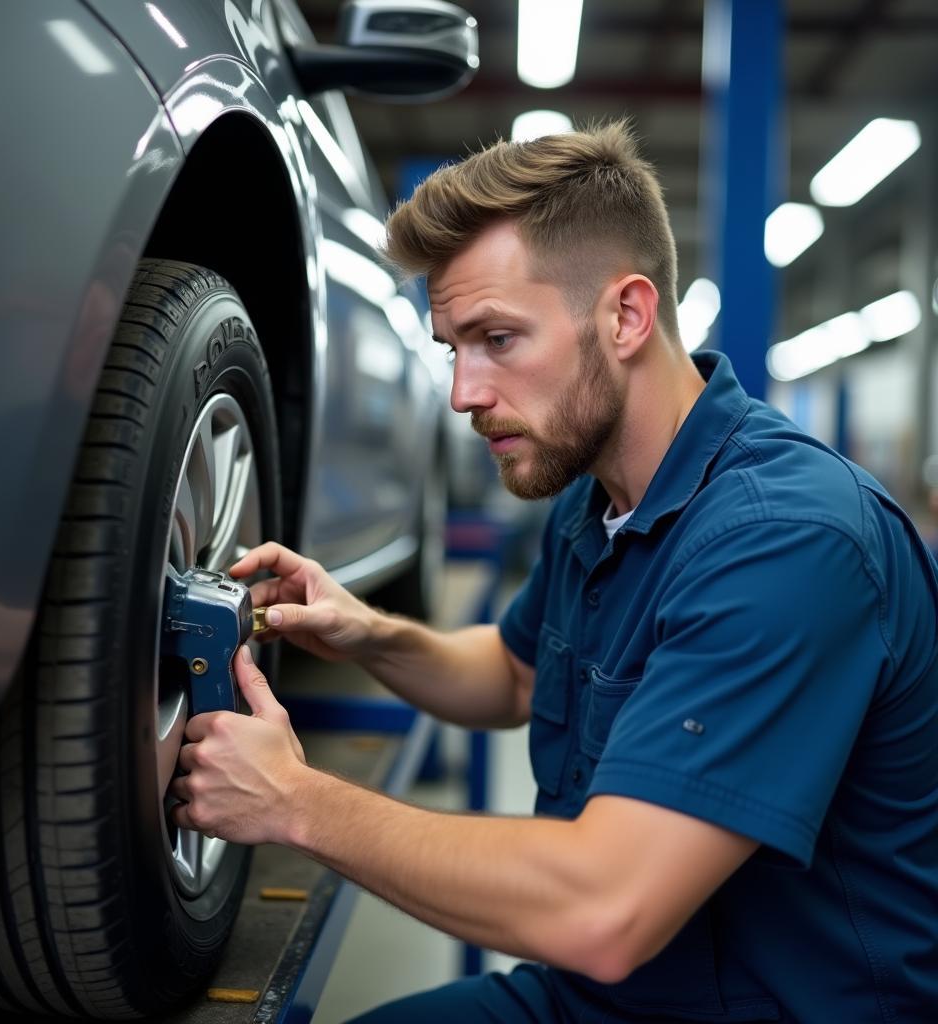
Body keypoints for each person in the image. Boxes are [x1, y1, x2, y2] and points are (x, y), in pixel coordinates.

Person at [169, 122, 938, 1022]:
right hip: (607, 996)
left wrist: (296, 803)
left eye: (498, 338)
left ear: (625, 315)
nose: (462, 393)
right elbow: (516, 674)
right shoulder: (598, 494)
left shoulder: (790, 543)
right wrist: (367, 632)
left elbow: (605, 909)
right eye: (454, 348)